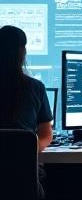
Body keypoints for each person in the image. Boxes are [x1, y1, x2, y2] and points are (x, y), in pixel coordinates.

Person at [0, 24, 53, 160]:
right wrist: (27, 151)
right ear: (22, 52)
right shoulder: (36, 88)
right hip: (24, 175)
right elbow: (46, 135)